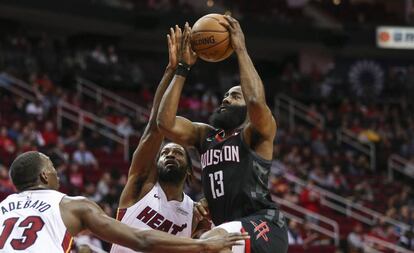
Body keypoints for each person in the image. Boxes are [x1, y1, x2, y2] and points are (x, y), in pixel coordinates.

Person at [157, 18, 288, 253]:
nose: (226, 98)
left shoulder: (254, 133)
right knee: (210, 241)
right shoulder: (205, 136)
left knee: (210, 243)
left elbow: (257, 100)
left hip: (264, 223)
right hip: (228, 228)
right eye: (226, 95)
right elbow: (164, 123)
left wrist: (240, 49)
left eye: (235, 96)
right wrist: (182, 69)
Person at [0, 151, 248, 252]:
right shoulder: (70, 204)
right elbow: (142, 239)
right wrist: (204, 246)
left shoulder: (2, 208)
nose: (57, 173)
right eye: (52, 168)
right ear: (44, 176)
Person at [111, 25, 214, 253]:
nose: (169, 154)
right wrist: (175, 69)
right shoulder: (141, 186)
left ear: (189, 171)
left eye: (177, 152)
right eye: (165, 153)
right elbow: (153, 128)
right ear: (154, 166)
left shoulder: (194, 213)